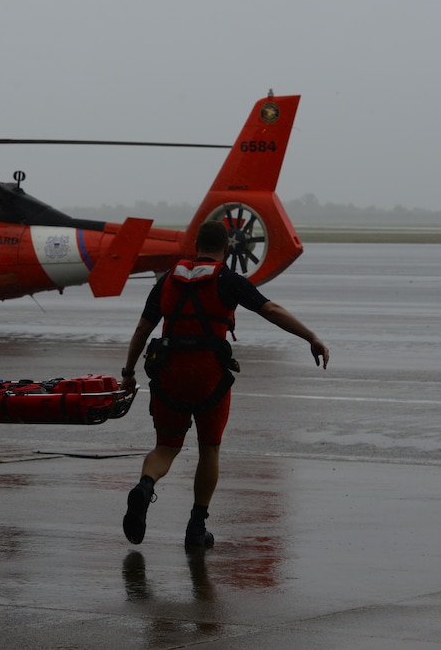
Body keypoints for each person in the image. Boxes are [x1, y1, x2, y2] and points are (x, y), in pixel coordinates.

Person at [120, 220, 329, 549]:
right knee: (209, 449)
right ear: (226, 249)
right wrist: (311, 337)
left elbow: (142, 330)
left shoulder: (167, 281)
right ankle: (196, 528)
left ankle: (145, 486)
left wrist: (128, 372)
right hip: (208, 379)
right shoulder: (228, 280)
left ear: (195, 246)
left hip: (168, 374)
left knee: (166, 448)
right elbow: (270, 309)